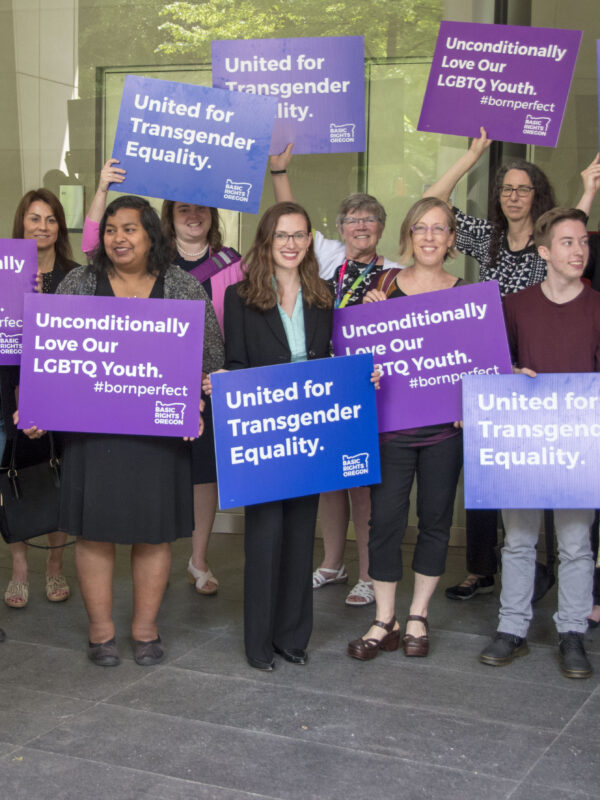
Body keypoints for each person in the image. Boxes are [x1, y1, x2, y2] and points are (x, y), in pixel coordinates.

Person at [21, 195, 224, 666]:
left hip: (158, 435)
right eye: (111, 229)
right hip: (93, 435)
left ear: (151, 234)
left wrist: (195, 397)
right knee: (95, 532)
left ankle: (146, 630)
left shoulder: (180, 285)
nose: (118, 238)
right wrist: (35, 408)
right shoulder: (80, 282)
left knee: (153, 534)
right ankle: (101, 632)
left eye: (129, 229)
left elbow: (210, 357)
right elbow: (49, 351)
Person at [424, 129, 600, 601]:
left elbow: (572, 235)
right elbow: (432, 203)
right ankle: (482, 569)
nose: (513, 196)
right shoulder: (489, 237)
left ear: (537, 194)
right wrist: (471, 156)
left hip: (542, 365)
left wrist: (588, 190)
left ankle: (555, 570)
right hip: (496, 366)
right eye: (506, 189)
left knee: (555, 472)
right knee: (492, 468)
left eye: (523, 188)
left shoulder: (549, 240)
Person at [82, 159, 245, 596]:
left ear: (212, 216)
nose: (193, 215)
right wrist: (103, 186)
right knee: (151, 475)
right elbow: (92, 246)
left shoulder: (232, 264)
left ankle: (198, 559)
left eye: (201, 208)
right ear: (167, 220)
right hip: (138, 385)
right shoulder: (143, 259)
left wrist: (222, 374)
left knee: (202, 473)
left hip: (205, 382)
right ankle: (149, 554)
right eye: (182, 209)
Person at [271, 144, 402, 606]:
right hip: (321, 382)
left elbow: (408, 334)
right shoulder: (326, 257)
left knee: (361, 484)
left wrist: (388, 308)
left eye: (370, 220)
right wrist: (279, 172)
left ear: (381, 228)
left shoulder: (396, 274)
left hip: (364, 387)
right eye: (352, 220)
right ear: (339, 228)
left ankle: (367, 573)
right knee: (328, 481)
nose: (361, 227)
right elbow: (291, 218)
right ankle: (332, 563)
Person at [478, 207, 597, 679]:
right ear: (544, 252)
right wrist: (508, 372)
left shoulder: (598, 307)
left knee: (576, 543)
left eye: (583, 242)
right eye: (568, 242)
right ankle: (512, 628)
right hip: (524, 439)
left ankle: (572, 632)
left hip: (579, 442)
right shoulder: (515, 306)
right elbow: (495, 365)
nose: (579, 250)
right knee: (519, 540)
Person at [219, 201, 334, 670]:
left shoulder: (324, 295)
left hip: (310, 432)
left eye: (299, 235)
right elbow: (237, 363)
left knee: (301, 535)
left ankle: (292, 636)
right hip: (263, 434)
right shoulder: (240, 297)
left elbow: (331, 358)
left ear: (309, 241)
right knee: (265, 537)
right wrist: (222, 380)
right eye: (282, 235)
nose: (291, 243)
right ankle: (259, 643)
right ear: (266, 240)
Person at [347, 197, 464, 661]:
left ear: (451, 239)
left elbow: (478, 363)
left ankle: (418, 615)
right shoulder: (380, 288)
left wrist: (472, 401)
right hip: (391, 430)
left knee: (435, 520)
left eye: (439, 228)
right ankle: (385, 620)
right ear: (409, 236)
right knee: (384, 523)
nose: (429, 237)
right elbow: (355, 361)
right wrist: (368, 323)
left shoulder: (467, 296)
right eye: (421, 228)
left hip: (445, 431)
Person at [4, 189, 78, 609]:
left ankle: (54, 565)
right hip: (8, 382)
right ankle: (19, 568)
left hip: (63, 386)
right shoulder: (2, 270)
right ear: (22, 222)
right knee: (13, 468)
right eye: (35, 218)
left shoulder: (76, 275)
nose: (43, 227)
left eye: (51, 219)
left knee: (58, 471)